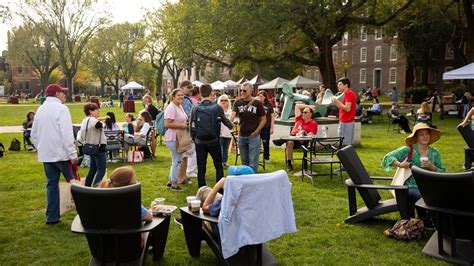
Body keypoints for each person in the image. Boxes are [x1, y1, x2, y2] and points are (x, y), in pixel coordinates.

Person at [31, 84, 78, 225]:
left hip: (47, 155)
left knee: (51, 185)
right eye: (63, 93)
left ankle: (52, 217)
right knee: (76, 185)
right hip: (62, 155)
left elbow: (33, 134)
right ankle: (86, 213)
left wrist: (41, 148)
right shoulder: (62, 109)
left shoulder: (40, 109)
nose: (64, 95)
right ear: (57, 94)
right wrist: (72, 153)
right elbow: (66, 134)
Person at [381, 123, 445, 227]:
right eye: (421, 134)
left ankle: (432, 221)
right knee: (423, 196)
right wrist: (400, 164)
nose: (425, 136)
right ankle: (427, 221)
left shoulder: (434, 153)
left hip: (429, 186)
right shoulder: (408, 149)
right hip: (410, 187)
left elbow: (443, 172)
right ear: (416, 137)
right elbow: (387, 157)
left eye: (427, 134)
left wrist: (431, 166)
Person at [190, 84, 233, 187]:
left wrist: (193, 138)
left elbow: (191, 124)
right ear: (211, 93)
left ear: (200, 93)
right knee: (218, 165)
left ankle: (202, 187)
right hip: (214, 140)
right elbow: (225, 120)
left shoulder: (195, 108)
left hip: (199, 140)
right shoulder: (216, 107)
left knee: (201, 166)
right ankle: (219, 187)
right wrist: (231, 126)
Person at [229, 82, 266, 173]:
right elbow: (233, 115)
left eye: (244, 90)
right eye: (241, 90)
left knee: (253, 162)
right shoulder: (238, 102)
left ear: (251, 91)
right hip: (242, 135)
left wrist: (257, 131)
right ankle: (246, 181)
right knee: (244, 163)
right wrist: (230, 121)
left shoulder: (257, 103)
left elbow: (263, 119)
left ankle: (253, 181)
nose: (242, 92)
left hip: (253, 136)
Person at [164, 89, 188, 191]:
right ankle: (174, 183)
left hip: (179, 136)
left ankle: (170, 181)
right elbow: (167, 124)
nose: (181, 97)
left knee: (176, 160)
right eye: (178, 95)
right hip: (173, 137)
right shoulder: (171, 107)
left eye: (182, 95)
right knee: (177, 160)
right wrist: (182, 126)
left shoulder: (179, 106)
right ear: (173, 96)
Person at [79, 103, 108, 187]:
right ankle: (95, 189)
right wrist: (104, 121)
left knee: (92, 169)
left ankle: (87, 187)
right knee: (101, 170)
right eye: (96, 109)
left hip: (90, 147)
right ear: (90, 111)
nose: (98, 111)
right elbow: (99, 125)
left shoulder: (85, 120)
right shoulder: (93, 120)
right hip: (98, 147)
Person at [285, 103, 318, 171]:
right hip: (292, 139)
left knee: (293, 140)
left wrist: (303, 133)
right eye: (303, 112)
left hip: (302, 142)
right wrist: (308, 106)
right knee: (290, 141)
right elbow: (297, 106)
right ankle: (289, 163)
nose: (303, 113)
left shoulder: (313, 124)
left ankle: (304, 164)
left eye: (305, 112)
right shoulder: (299, 119)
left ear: (310, 114)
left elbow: (311, 135)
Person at [180, 80, 198, 179]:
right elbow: (189, 114)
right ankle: (189, 171)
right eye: (189, 88)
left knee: (189, 152)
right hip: (186, 128)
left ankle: (186, 173)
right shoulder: (185, 100)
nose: (190, 90)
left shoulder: (185, 98)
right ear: (183, 87)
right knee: (190, 151)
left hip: (186, 128)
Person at [331, 77, 356, 146]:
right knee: (343, 143)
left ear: (346, 85)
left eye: (340, 84)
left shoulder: (348, 93)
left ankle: (346, 157)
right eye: (338, 84)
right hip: (345, 121)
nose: (338, 86)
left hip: (347, 121)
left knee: (345, 144)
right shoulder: (346, 93)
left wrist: (336, 101)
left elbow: (348, 108)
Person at [256, 91, 275, 163]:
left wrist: (272, 127)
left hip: (266, 127)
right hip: (257, 127)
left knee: (265, 142)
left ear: (265, 97)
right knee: (256, 143)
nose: (260, 97)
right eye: (259, 96)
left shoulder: (269, 104)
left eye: (261, 96)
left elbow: (272, 116)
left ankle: (266, 157)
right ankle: (256, 157)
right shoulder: (256, 104)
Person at [218, 94, 233, 167]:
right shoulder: (217, 110)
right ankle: (219, 162)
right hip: (220, 133)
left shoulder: (231, 111)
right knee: (219, 149)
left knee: (226, 149)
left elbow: (233, 121)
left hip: (228, 133)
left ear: (228, 102)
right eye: (222, 100)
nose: (223, 102)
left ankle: (224, 162)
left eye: (225, 100)